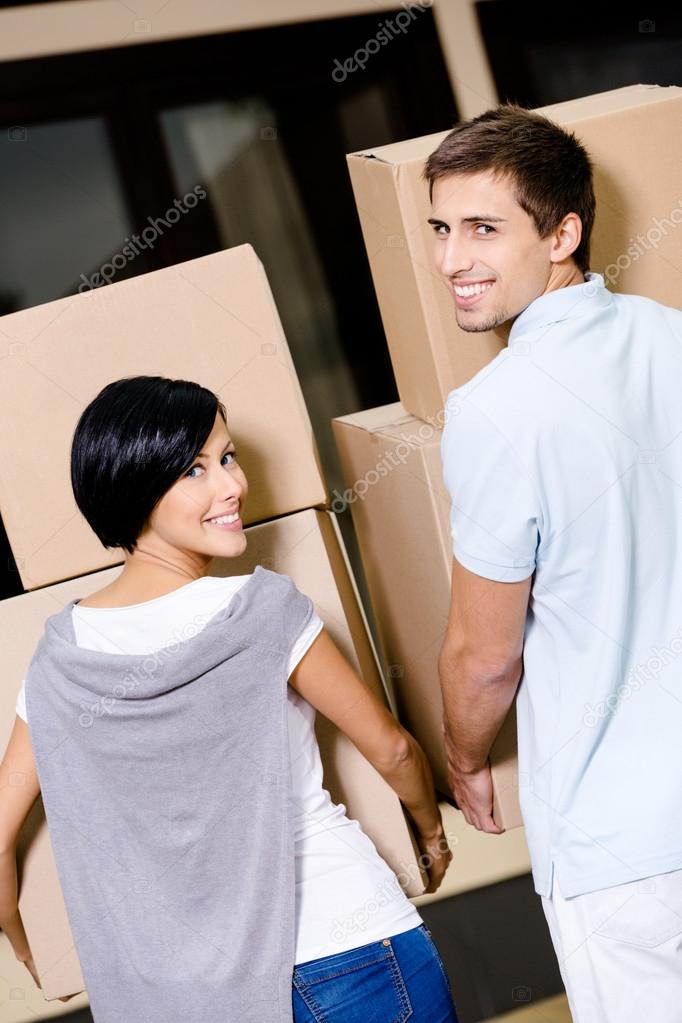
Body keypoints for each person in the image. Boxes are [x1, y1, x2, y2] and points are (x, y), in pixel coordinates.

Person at [0, 375, 459, 1022]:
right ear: (135, 487)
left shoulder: (60, 660)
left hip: (192, 1001)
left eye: (228, 457)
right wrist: (433, 835)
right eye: (194, 469)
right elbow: (391, 747)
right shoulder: (260, 608)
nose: (232, 486)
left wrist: (26, 944)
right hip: (349, 949)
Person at [425, 102, 682, 1022]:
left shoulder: (497, 409)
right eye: (442, 229)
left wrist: (462, 756)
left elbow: (484, 653)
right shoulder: (674, 338)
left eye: (484, 229)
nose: (454, 260)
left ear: (564, 232)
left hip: (626, 850)